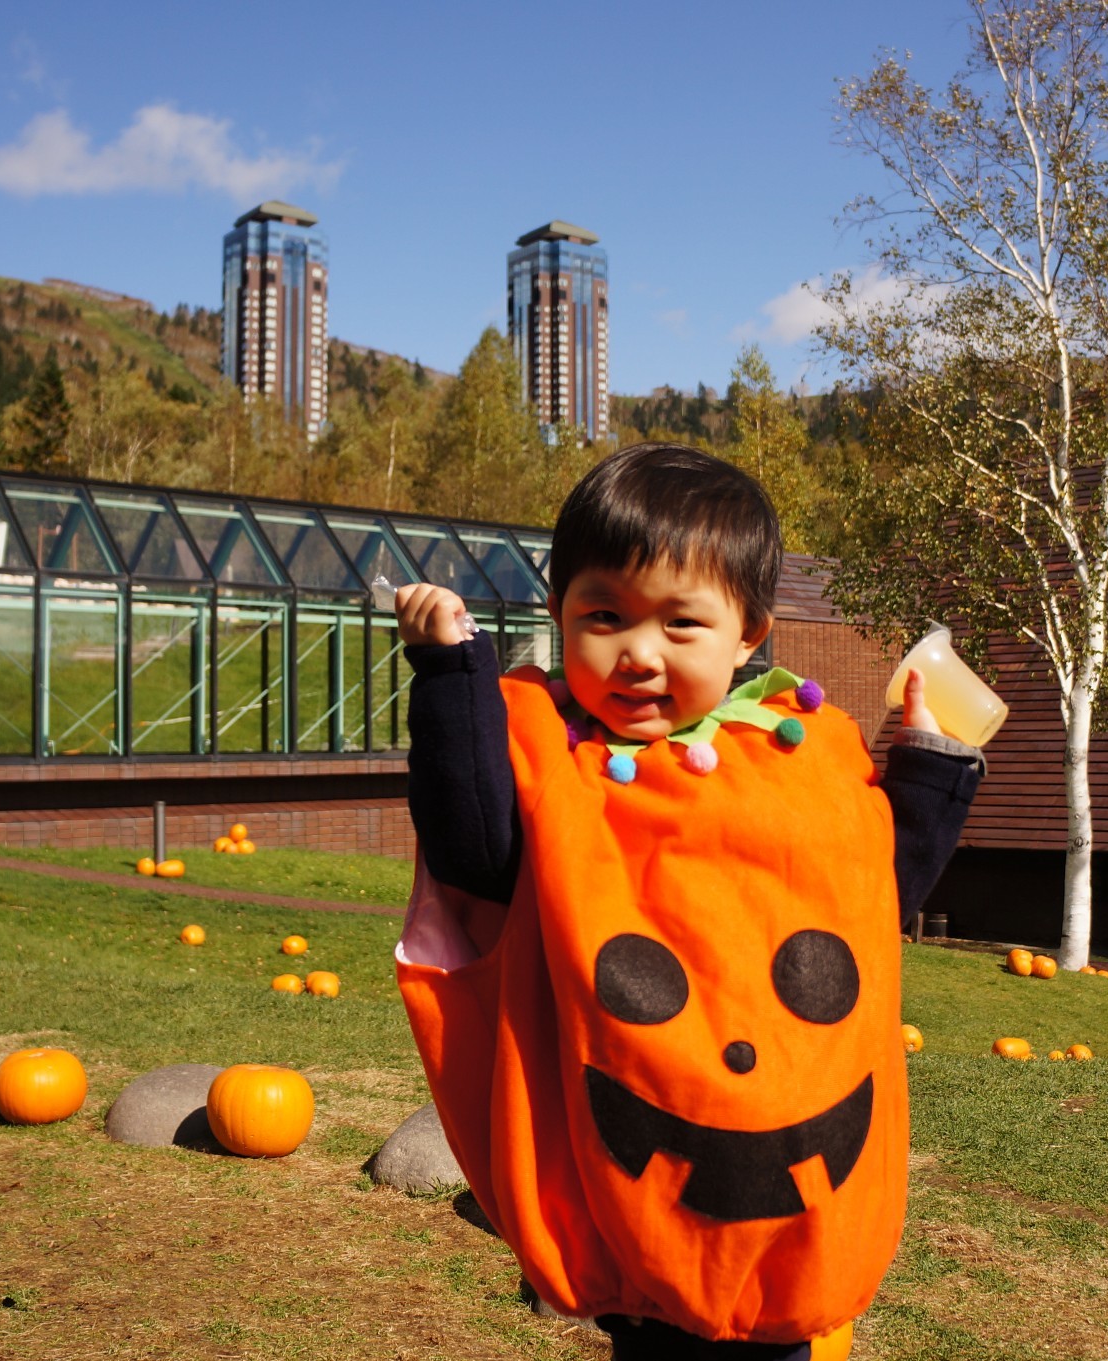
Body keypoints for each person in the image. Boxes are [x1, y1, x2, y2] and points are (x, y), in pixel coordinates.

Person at [392, 443, 983, 1360]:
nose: (637, 653)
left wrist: (931, 763)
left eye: (681, 624)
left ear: (749, 632)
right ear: (559, 615)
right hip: (641, 1206)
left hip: (795, 1196)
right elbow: (472, 844)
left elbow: (871, 886)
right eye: (604, 614)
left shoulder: (797, 755)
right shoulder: (553, 763)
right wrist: (448, 671)